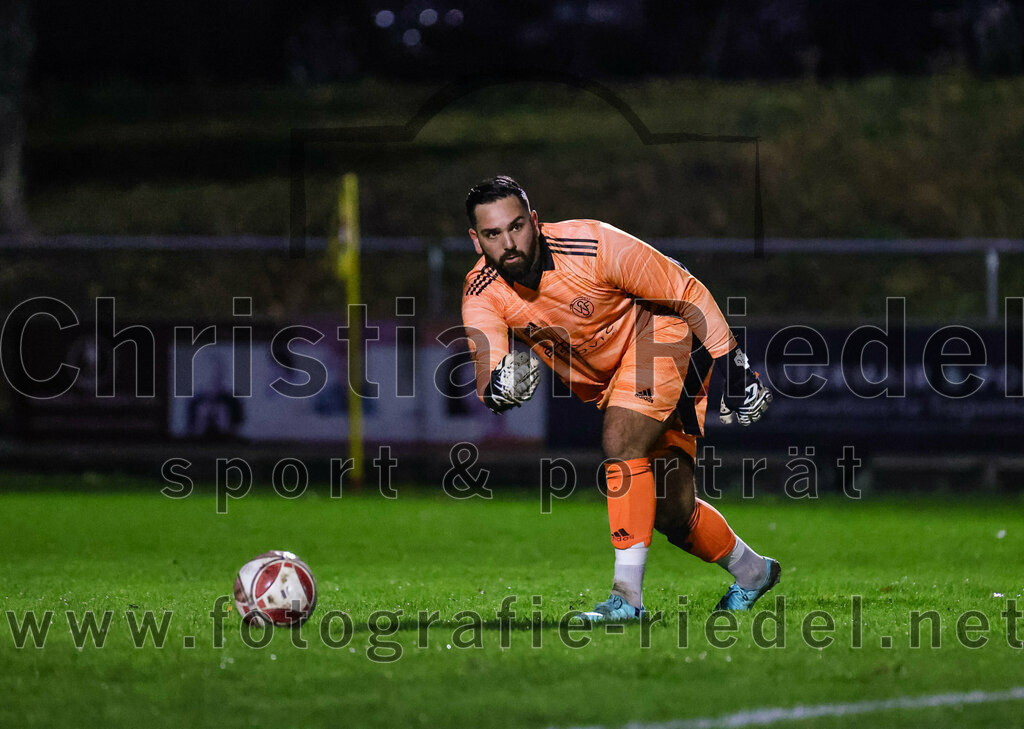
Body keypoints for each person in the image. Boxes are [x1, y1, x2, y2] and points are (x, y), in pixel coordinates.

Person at [460, 175, 778, 621]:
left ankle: (626, 599)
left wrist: (738, 369)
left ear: (534, 221)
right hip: (612, 383)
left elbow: (686, 290)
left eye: (516, 227)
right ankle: (754, 572)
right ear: (477, 241)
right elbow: (486, 371)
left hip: (661, 336)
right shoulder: (481, 293)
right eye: (493, 234)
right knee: (672, 512)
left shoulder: (593, 244)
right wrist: (499, 389)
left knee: (620, 440)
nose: (508, 242)